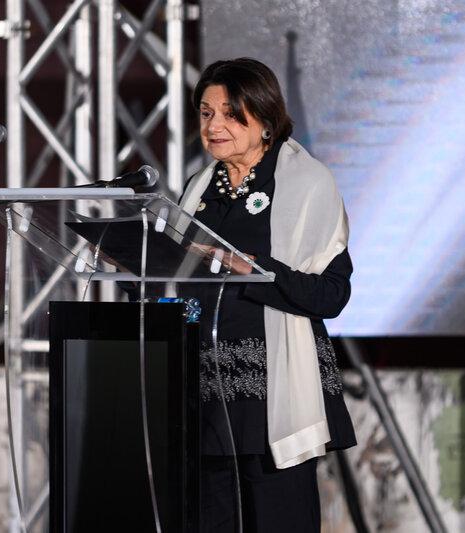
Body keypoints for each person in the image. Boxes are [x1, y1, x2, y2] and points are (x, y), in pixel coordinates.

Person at [178, 58, 356, 532]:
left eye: (229, 114)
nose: (213, 126)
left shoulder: (306, 183)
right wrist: (138, 262)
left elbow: (332, 295)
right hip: (204, 396)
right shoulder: (198, 189)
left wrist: (257, 270)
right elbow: (177, 280)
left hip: (272, 397)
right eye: (206, 113)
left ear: (265, 119)